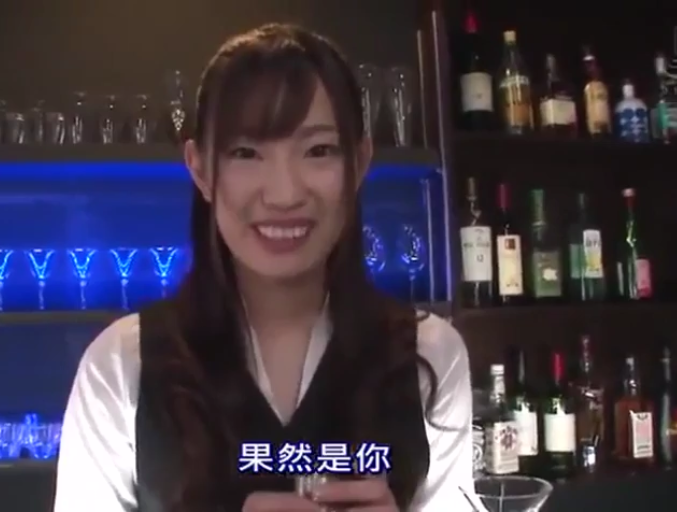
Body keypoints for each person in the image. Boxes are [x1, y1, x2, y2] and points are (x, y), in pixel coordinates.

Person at [53, 23, 478, 512]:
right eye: (246, 153)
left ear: (360, 163)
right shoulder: (121, 365)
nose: (284, 194)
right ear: (200, 169)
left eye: (318, 150)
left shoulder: (431, 354)